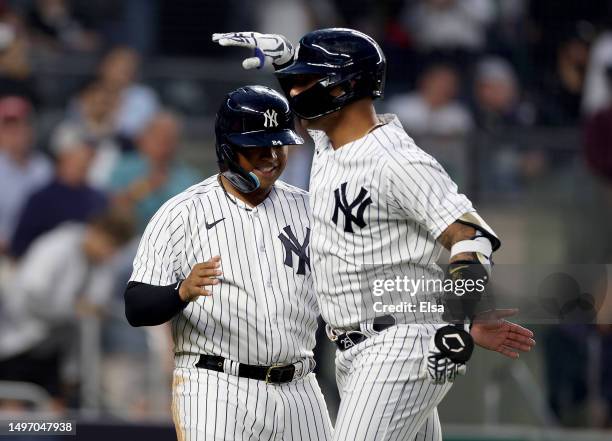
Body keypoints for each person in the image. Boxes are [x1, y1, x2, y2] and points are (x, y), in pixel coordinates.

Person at [214, 29, 536, 441]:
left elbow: (472, 237)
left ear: (343, 87)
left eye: (306, 80)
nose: (294, 90)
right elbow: (302, 107)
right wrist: (284, 62)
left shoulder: (396, 160)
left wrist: (466, 314)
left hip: (402, 343)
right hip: (355, 350)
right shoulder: (331, 143)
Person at [124, 85, 333, 440]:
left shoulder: (308, 208)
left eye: (278, 144)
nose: (271, 155)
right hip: (218, 386)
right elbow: (136, 306)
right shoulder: (183, 212)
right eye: (257, 146)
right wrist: (180, 292)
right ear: (227, 147)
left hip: (300, 387)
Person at [0, 210, 134, 407]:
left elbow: (96, 304)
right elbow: (31, 293)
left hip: (57, 349)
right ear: (95, 232)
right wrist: (72, 309)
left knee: (57, 416)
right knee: (14, 412)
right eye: (108, 246)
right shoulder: (56, 246)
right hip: (18, 343)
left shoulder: (102, 264)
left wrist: (80, 311)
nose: (108, 254)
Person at [9, 123, 108, 259]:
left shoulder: (99, 199)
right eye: (82, 149)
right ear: (64, 155)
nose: (87, 156)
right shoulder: (41, 199)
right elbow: (19, 248)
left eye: (89, 151)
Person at [108, 111, 201, 232]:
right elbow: (110, 209)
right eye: (159, 136)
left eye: (171, 138)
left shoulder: (190, 177)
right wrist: (143, 188)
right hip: (129, 237)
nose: (165, 143)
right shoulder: (124, 167)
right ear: (143, 139)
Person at [0, 95, 52, 254]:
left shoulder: (43, 166)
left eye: (24, 125)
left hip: (37, 251)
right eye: (9, 127)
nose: (18, 132)